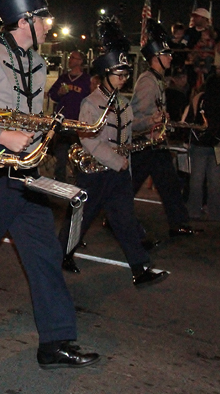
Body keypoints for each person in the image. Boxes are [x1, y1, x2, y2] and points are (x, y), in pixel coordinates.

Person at [0, 0, 99, 370]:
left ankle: (56, 342)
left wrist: (43, 130)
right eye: (45, 18)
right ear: (26, 19)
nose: (49, 25)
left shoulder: (38, 63)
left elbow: (24, 114)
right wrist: (0, 136)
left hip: (27, 177)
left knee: (45, 257)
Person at [59, 16, 169, 287]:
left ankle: (140, 269)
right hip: (96, 172)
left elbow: (130, 129)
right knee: (81, 218)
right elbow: (89, 139)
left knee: (125, 220)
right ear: (105, 74)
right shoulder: (90, 103)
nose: (123, 79)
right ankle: (61, 255)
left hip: (118, 172)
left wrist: (150, 122)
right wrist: (116, 160)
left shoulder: (123, 102)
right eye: (119, 75)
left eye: (125, 75)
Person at [131, 19, 198, 237]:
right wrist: (153, 120)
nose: (170, 58)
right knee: (132, 185)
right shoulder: (148, 82)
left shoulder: (157, 80)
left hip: (154, 143)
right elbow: (136, 118)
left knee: (167, 184)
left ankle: (178, 222)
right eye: (166, 54)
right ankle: (116, 217)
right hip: (144, 143)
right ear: (156, 57)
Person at [185, 75, 220, 221]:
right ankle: (215, 212)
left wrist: (188, 139)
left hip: (200, 144)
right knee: (214, 181)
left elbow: (190, 120)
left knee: (196, 179)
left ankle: (194, 210)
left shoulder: (200, 100)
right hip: (218, 146)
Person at [47, 50, 91, 181]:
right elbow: (52, 95)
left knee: (78, 154)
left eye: (73, 58)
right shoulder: (64, 78)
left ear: (80, 61)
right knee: (61, 154)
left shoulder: (86, 80)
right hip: (63, 121)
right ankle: (59, 180)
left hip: (78, 123)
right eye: (70, 57)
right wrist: (59, 93)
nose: (70, 60)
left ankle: (79, 180)